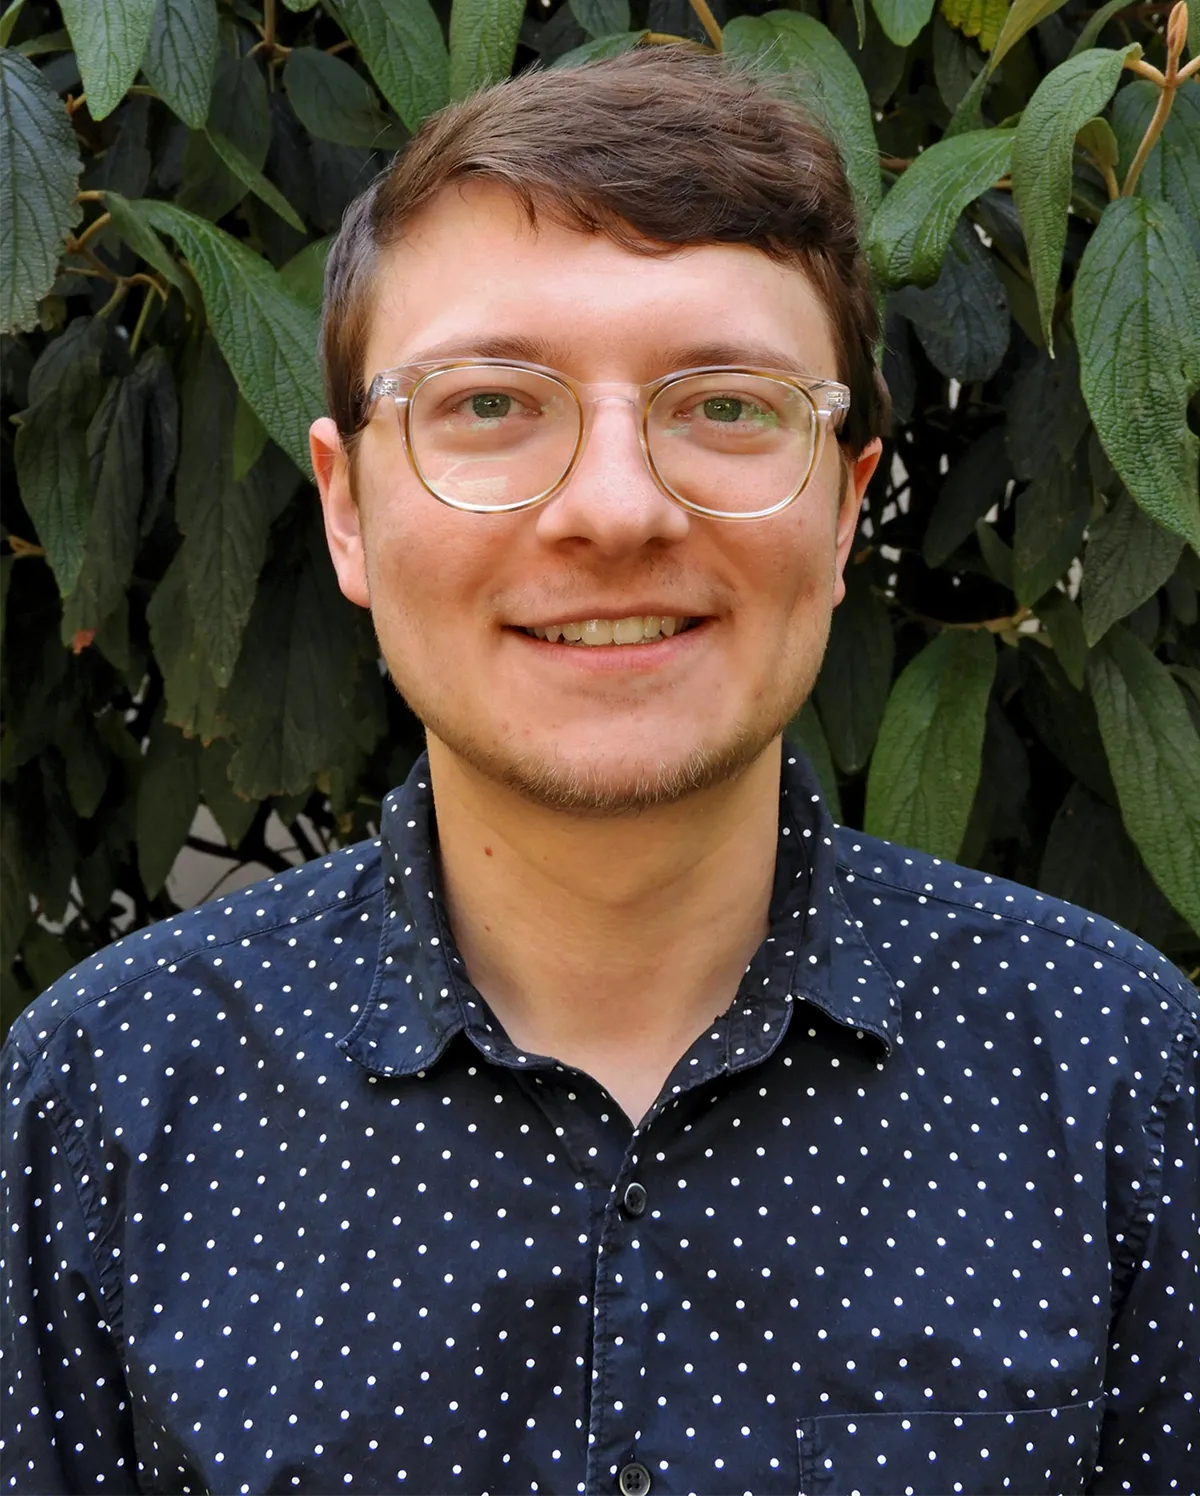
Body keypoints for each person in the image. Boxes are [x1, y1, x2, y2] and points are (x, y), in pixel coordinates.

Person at [2, 45, 1197, 1496]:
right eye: (494, 404)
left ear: (843, 512)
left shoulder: (1120, 1076)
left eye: (729, 405)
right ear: (348, 509)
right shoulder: (99, 1106)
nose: (616, 510)